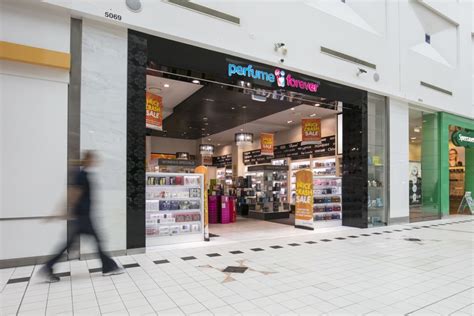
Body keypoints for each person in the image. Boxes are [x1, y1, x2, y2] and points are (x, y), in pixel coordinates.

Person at [41, 150, 124, 282]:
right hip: (83, 217)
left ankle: (48, 267)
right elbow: (73, 193)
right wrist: (65, 211)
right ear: (89, 160)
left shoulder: (83, 174)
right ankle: (109, 267)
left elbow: (74, 193)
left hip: (83, 216)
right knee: (97, 241)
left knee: (71, 243)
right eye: (94, 159)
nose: (96, 161)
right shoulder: (82, 176)